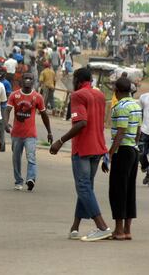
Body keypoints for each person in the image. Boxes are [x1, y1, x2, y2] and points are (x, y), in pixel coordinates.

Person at [50, 68, 112, 242]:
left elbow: (81, 123)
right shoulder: (99, 95)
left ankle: (102, 227)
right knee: (86, 188)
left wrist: (60, 141)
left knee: (83, 187)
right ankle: (75, 227)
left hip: (83, 149)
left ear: (78, 80)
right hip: (98, 148)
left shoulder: (78, 95)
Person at [4, 73, 53, 191]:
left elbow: (44, 115)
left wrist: (49, 132)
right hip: (16, 133)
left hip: (30, 134)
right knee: (16, 158)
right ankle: (18, 181)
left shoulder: (38, 97)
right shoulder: (14, 95)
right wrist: (5, 123)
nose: (27, 80)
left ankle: (31, 178)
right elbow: (7, 110)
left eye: (30, 79)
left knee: (31, 157)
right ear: (22, 80)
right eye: (25, 78)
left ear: (33, 81)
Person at [106, 77, 141, 240]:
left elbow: (120, 132)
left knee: (118, 190)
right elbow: (139, 131)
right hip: (133, 150)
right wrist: (134, 144)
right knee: (129, 190)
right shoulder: (136, 105)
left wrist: (110, 153)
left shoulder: (120, 106)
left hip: (122, 151)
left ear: (117, 91)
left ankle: (118, 230)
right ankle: (127, 230)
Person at [138, 90, 149, 185]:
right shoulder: (144, 97)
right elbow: (139, 113)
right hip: (144, 131)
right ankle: (146, 168)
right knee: (140, 153)